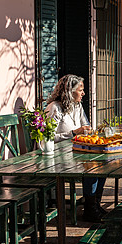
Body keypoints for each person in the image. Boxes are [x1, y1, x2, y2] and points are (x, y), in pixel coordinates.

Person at [44, 75, 104, 222]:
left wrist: (89, 131)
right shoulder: (54, 108)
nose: (83, 93)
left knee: (103, 164)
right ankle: (90, 209)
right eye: (80, 90)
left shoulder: (77, 106)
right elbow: (47, 138)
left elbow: (86, 125)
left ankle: (94, 204)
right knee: (92, 167)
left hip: (75, 152)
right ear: (69, 91)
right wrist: (73, 133)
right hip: (58, 158)